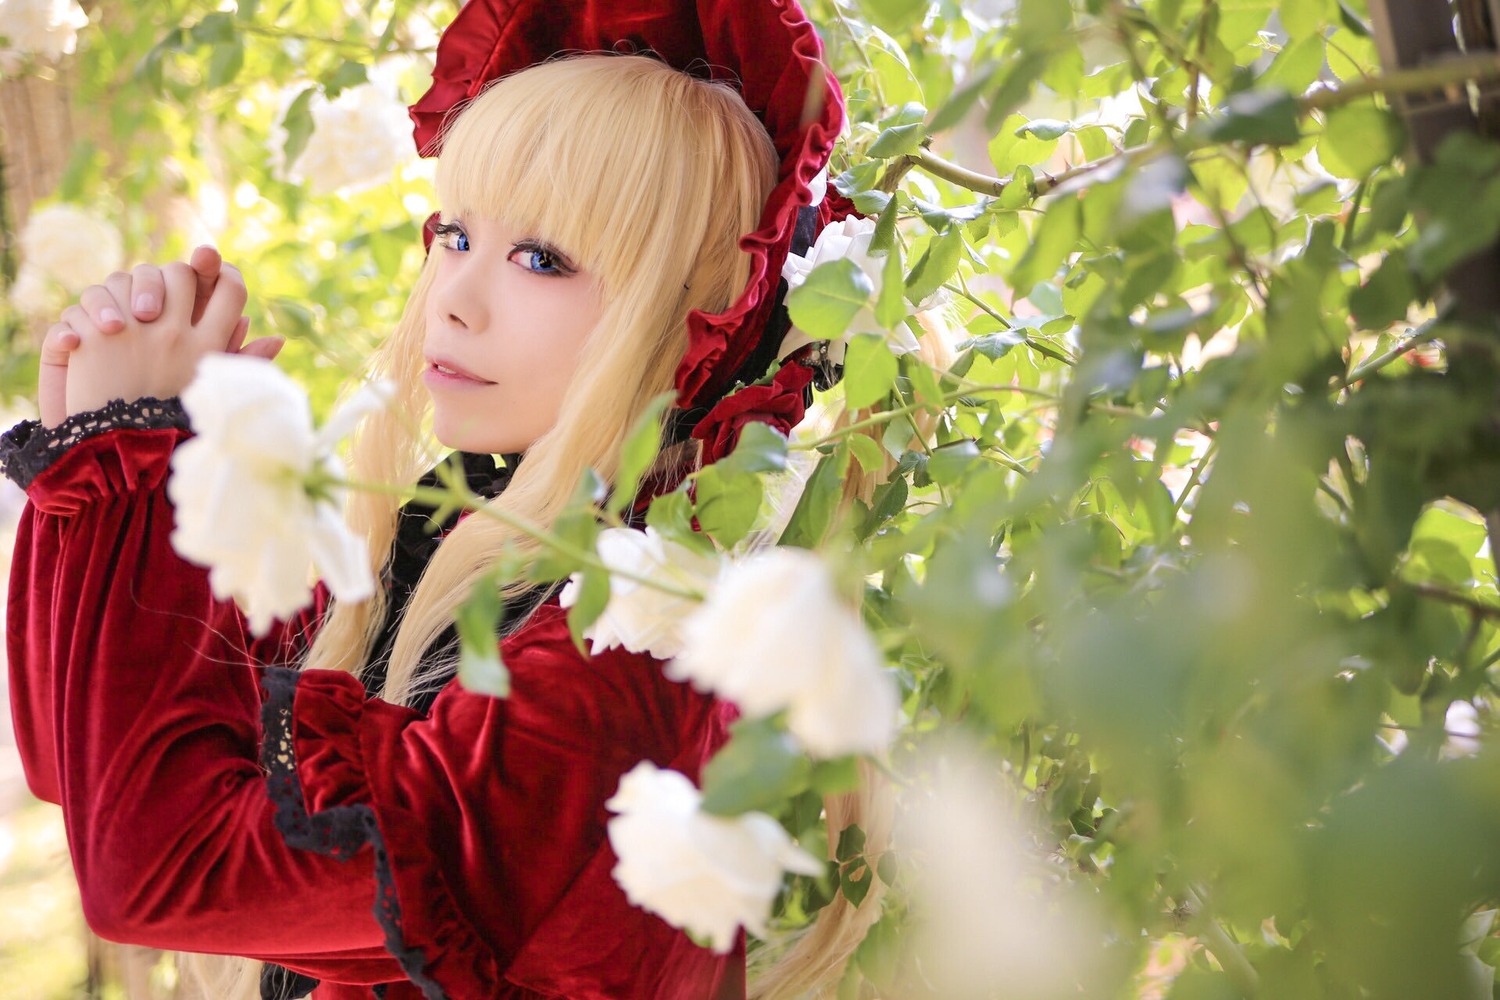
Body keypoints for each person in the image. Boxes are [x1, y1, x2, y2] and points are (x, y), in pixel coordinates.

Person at [2, 2, 887, 998]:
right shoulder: (451, 539)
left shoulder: (622, 666)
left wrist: (136, 434)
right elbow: (83, 771)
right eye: (457, 233)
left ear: (695, 324)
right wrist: (105, 467)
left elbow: (158, 868)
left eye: (541, 258)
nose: (454, 296)